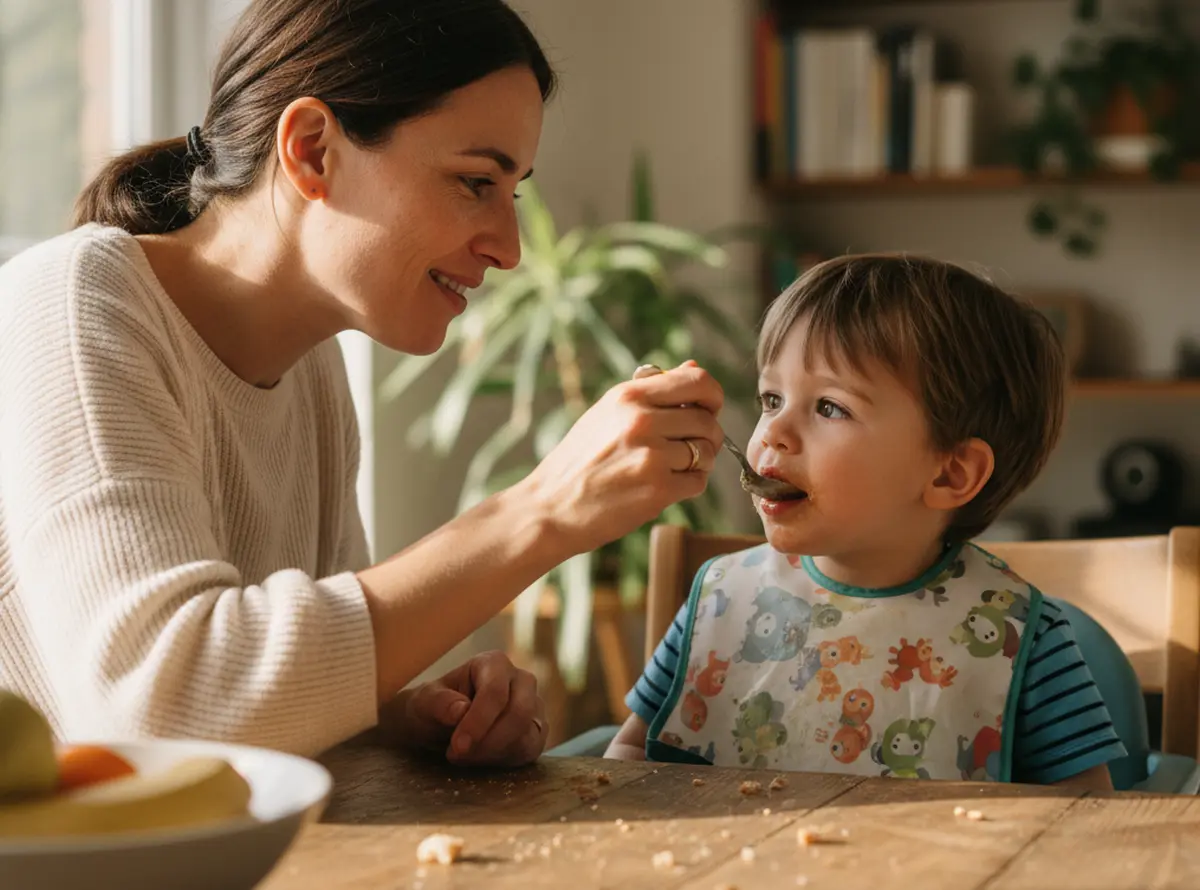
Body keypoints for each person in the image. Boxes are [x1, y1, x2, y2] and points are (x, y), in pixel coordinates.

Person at [0, 0, 725, 766]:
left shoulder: (309, 365)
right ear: (311, 150)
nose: (509, 248)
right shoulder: (76, 303)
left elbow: (266, 697)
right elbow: (163, 707)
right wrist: (540, 511)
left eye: (512, 193)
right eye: (476, 181)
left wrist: (411, 715)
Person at [606, 255, 1125, 790]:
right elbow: (630, 750)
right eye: (771, 397)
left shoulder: (1025, 640)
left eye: (830, 407)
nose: (774, 431)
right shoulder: (719, 598)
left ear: (950, 473)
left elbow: (1085, 814)